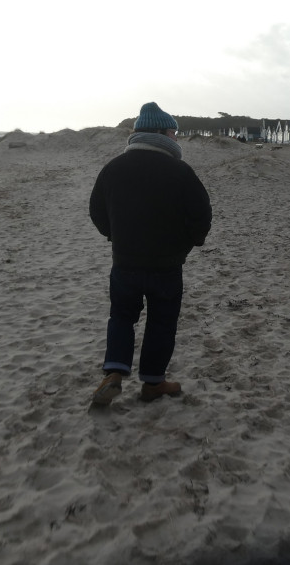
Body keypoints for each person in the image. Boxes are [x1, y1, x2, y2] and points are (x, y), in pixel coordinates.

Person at [89, 102, 212, 405]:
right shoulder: (180, 171)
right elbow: (201, 214)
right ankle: (153, 383)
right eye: (173, 131)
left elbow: (96, 210)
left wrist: (114, 236)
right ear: (159, 132)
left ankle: (115, 373)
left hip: (125, 262)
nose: (176, 138)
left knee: (121, 315)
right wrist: (190, 243)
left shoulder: (113, 168)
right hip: (166, 265)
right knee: (162, 321)